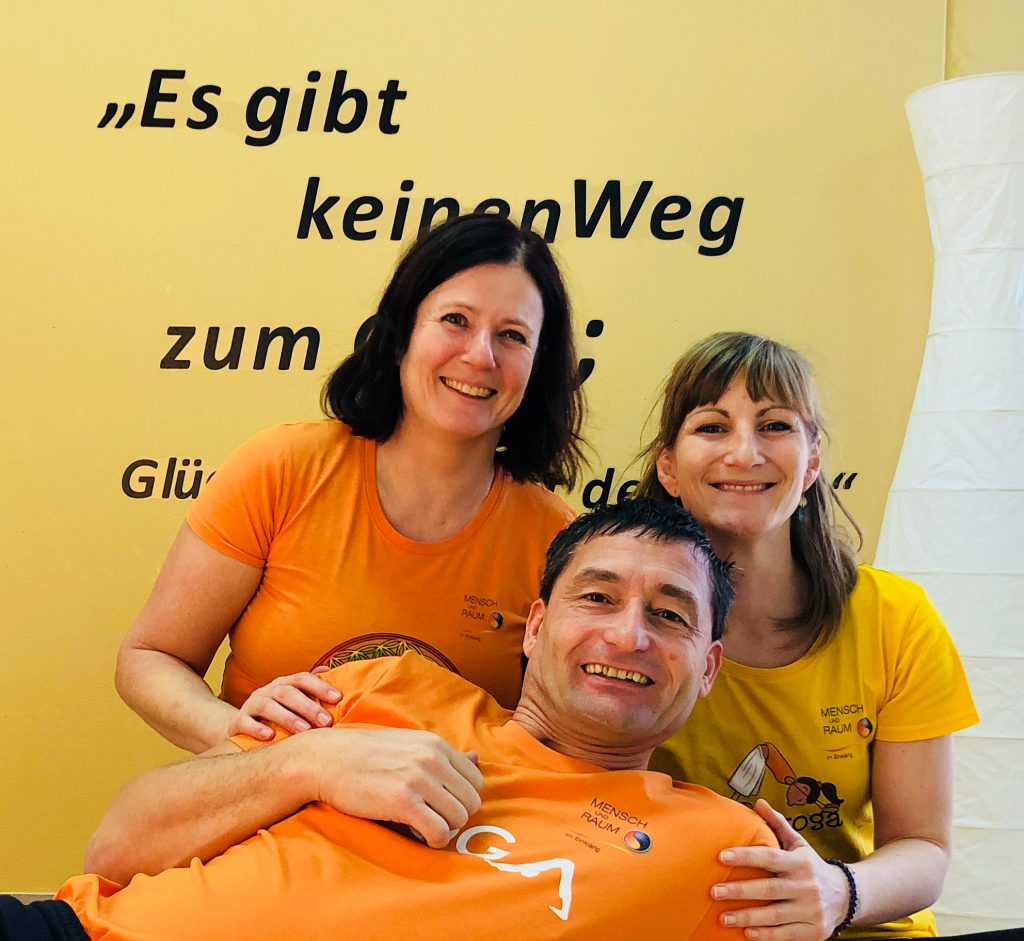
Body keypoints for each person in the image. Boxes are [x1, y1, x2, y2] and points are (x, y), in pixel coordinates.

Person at [3, 501, 777, 941]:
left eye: (669, 614)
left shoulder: (720, 847)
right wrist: (310, 762)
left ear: (709, 666)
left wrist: (835, 894)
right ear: (537, 626)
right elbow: (118, 844)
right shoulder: (387, 683)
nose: (628, 635)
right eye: (598, 597)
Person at [114, 212, 586, 754]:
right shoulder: (283, 468)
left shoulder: (560, 542)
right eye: (456, 320)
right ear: (402, 333)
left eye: (512, 336)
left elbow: (563, 742)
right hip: (254, 801)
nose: (481, 355)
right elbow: (151, 658)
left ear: (539, 366)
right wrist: (244, 736)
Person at [637, 332, 979, 941]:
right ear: (668, 467)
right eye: (713, 427)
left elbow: (923, 848)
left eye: (774, 426)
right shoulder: (619, 625)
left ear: (813, 461)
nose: (745, 453)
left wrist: (836, 891)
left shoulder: (895, 617)